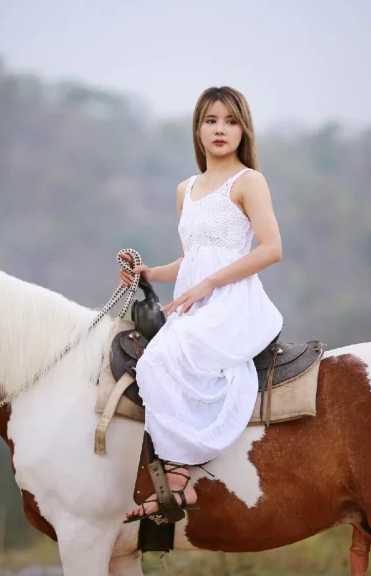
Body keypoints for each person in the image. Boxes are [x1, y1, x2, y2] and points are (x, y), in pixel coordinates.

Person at [119, 86, 284, 523]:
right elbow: (193, 258)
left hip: (232, 303)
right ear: (198, 128)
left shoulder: (249, 181)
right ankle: (173, 478)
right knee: (155, 360)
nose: (220, 130)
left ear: (243, 129)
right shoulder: (185, 189)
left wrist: (209, 283)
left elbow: (271, 249)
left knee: (158, 361)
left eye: (230, 121)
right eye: (211, 120)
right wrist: (150, 273)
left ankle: (177, 482)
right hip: (196, 302)